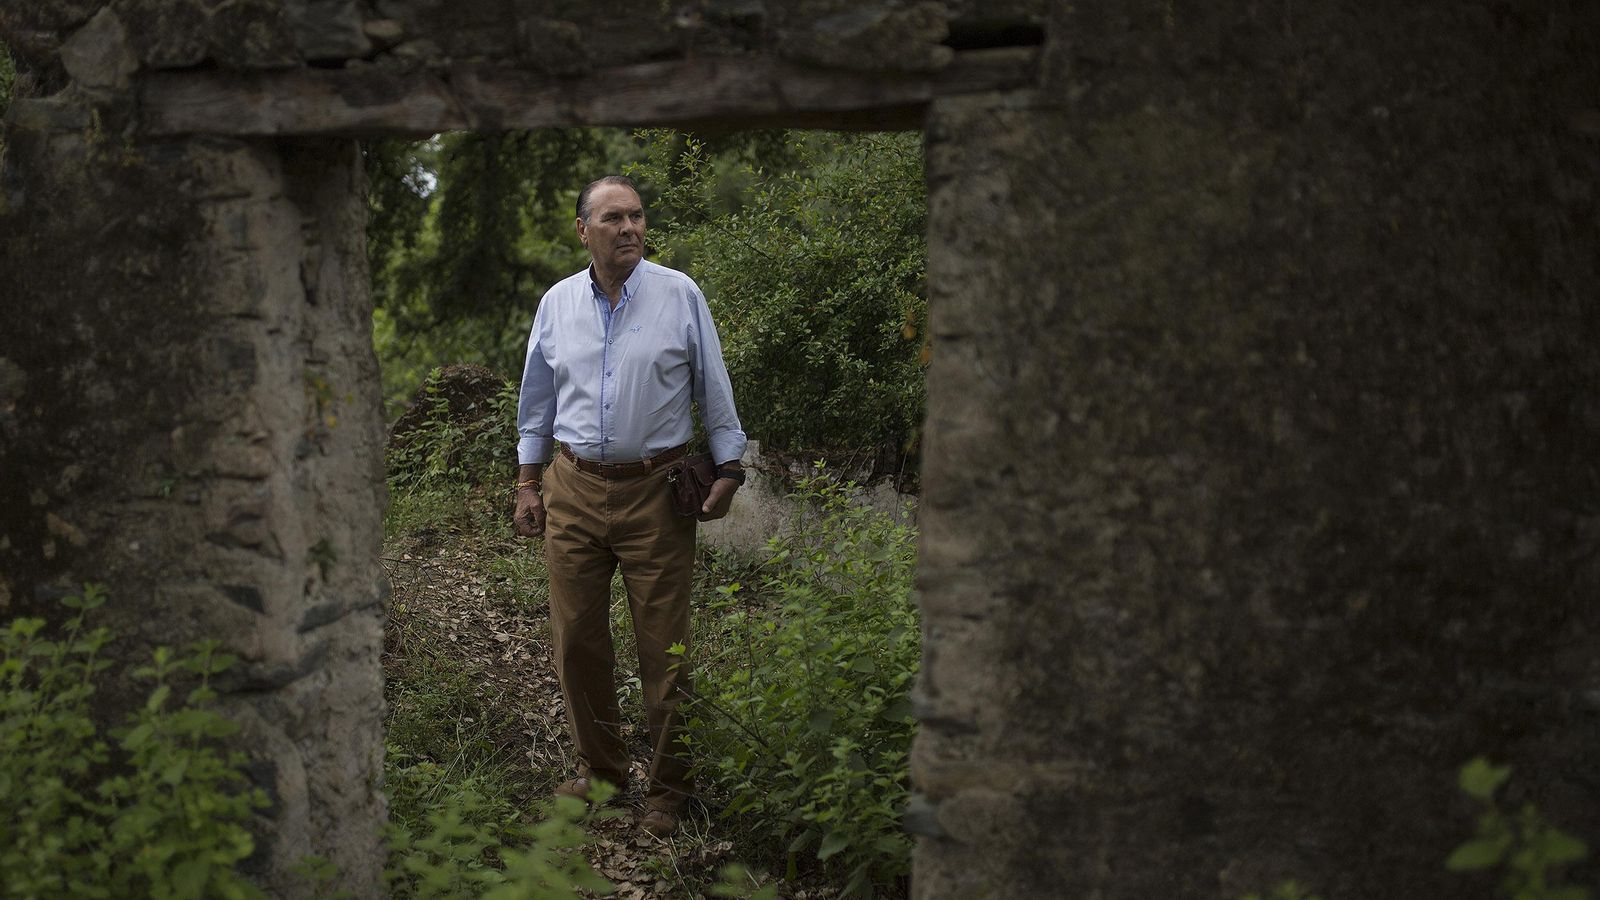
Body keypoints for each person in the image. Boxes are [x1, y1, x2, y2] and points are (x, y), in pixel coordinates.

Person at [512, 175, 746, 838]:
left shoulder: (679, 295)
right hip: (573, 485)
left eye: (637, 216)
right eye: (613, 218)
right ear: (583, 229)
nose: (629, 229)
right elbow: (536, 404)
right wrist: (527, 486)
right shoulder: (557, 304)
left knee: (663, 647)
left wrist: (729, 468)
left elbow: (714, 388)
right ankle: (605, 774)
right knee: (577, 642)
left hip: (657, 491)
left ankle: (669, 792)